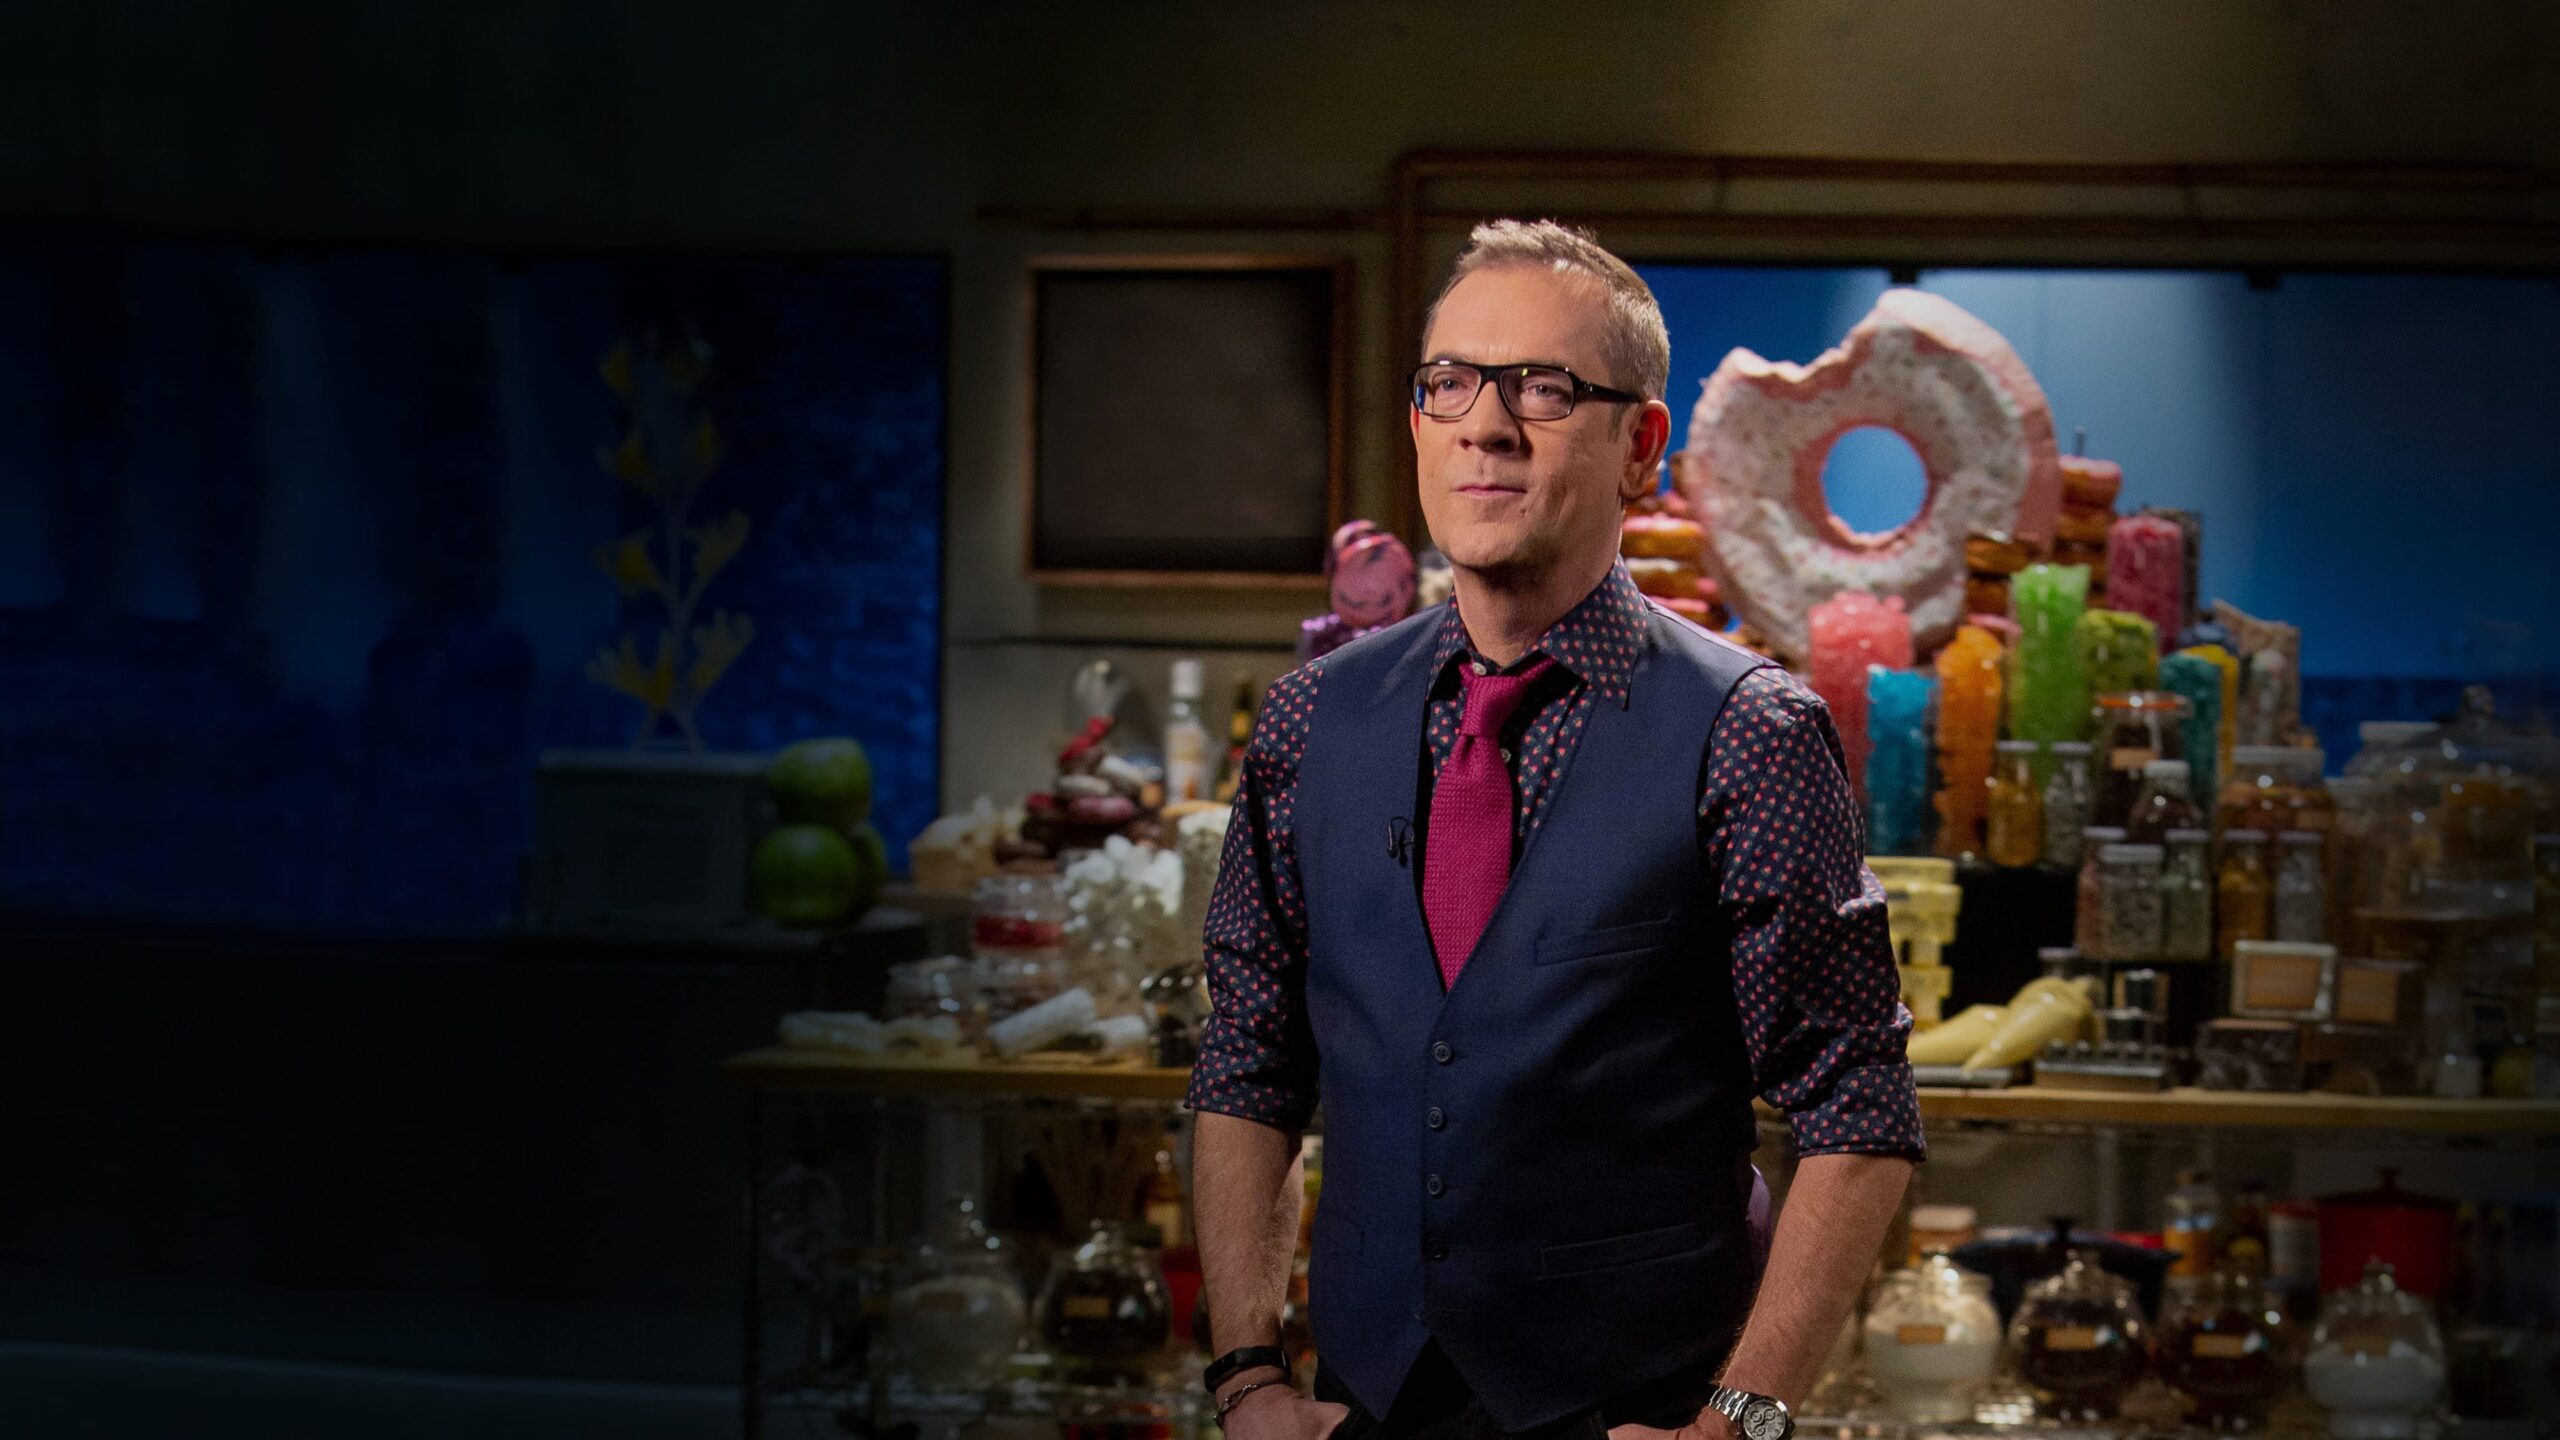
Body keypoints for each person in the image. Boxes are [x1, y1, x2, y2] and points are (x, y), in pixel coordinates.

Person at [1185, 220, 1923, 1440]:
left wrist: (1741, 1422)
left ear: (1640, 446)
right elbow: (1247, 1061)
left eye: (1542, 388)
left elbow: (1856, 1105)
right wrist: (1246, 1377)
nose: (1484, 425)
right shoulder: (1311, 720)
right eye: (1448, 383)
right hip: (1369, 1407)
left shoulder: (1750, 733)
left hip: (1637, 1411)